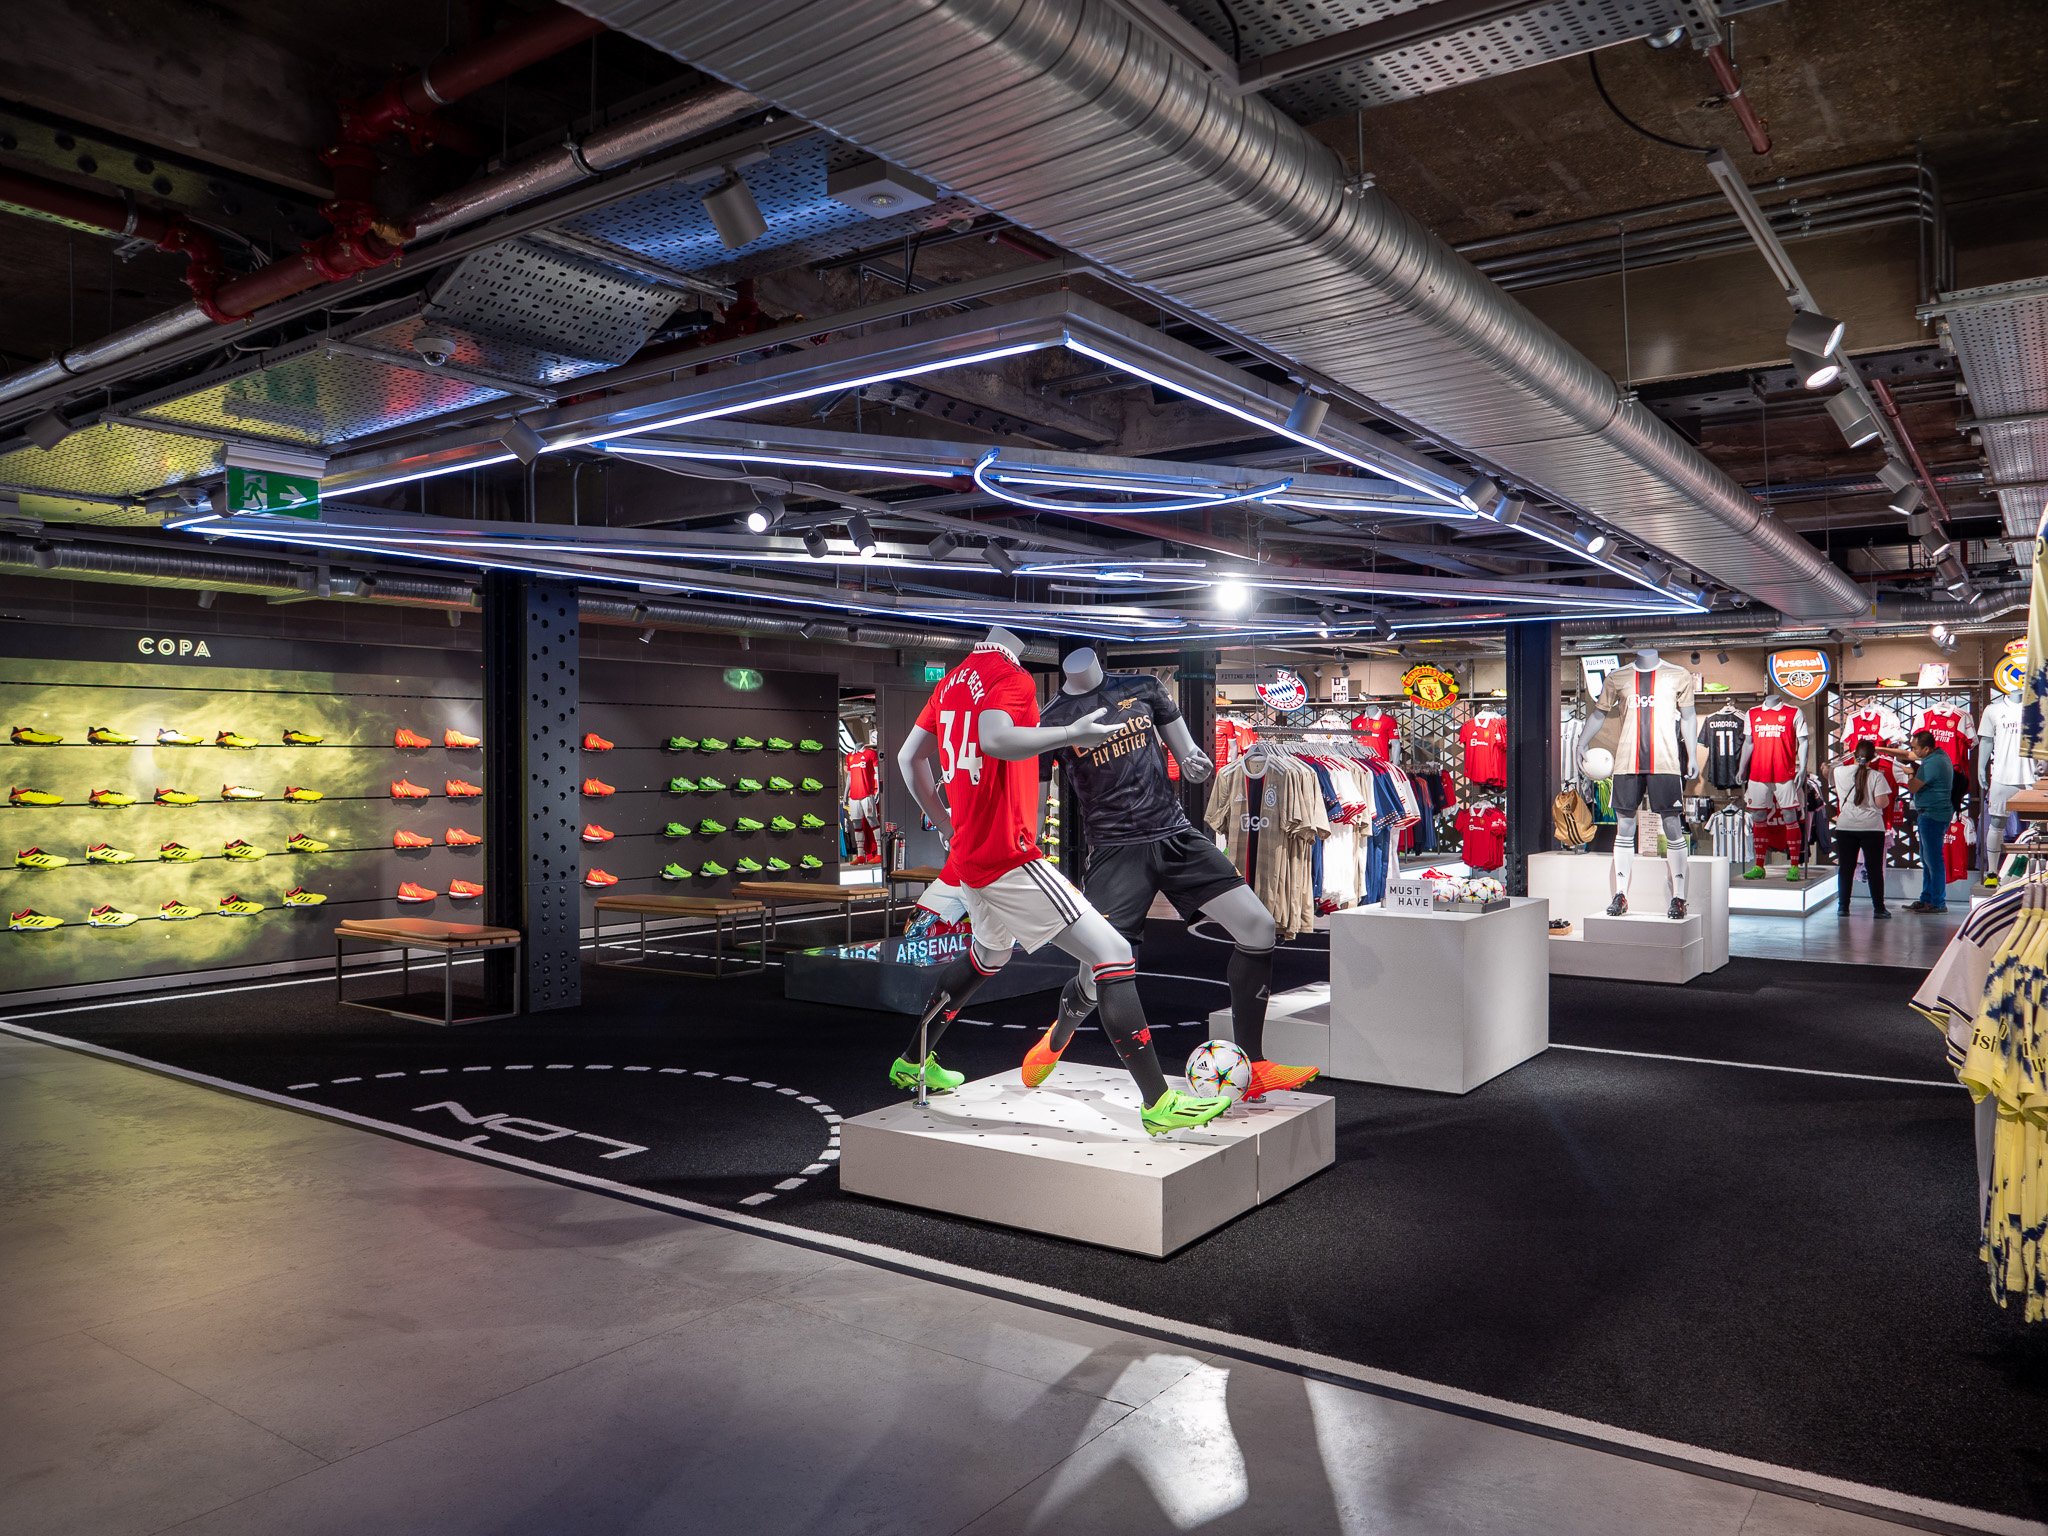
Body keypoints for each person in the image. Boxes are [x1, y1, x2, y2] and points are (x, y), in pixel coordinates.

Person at [891, 627, 1236, 1138]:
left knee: (989, 956)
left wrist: (945, 826)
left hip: (970, 854)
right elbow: (995, 740)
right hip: (1006, 855)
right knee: (1113, 953)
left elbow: (906, 758)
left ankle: (913, 1060)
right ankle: (1157, 1102)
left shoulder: (953, 680)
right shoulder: (1010, 675)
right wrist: (1072, 734)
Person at [1885, 729, 1955, 913]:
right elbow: (1907, 754)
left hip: (1933, 815)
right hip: (1934, 813)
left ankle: (1938, 902)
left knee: (1933, 860)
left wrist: (1909, 774)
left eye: (1916, 748)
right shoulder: (1937, 756)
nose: (1913, 751)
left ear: (1925, 748)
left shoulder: (1931, 763)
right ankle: (1927, 898)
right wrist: (1881, 749)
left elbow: (1914, 787)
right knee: (1928, 859)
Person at [1831, 739, 1891, 919]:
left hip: (1845, 826)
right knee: (1874, 869)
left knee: (1846, 868)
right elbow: (1882, 802)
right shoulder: (1877, 776)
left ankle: (1843, 907)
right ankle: (1879, 908)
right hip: (1872, 828)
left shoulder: (1839, 771)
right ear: (1873, 757)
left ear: (1855, 754)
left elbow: (1828, 771)